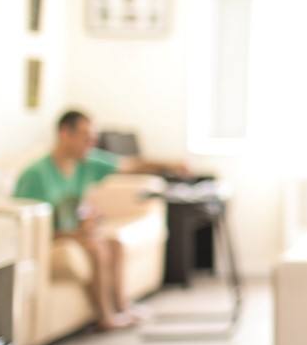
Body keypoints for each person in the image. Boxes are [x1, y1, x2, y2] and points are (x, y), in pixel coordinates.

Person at [13, 110, 184, 330]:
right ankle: (106, 317)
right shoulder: (36, 175)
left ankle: (122, 307)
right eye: (86, 136)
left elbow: (131, 165)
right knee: (95, 247)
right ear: (65, 133)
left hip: (74, 232)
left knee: (114, 243)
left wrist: (170, 165)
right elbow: (27, 227)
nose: (92, 142)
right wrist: (76, 233)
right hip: (45, 238)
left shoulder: (86, 162)